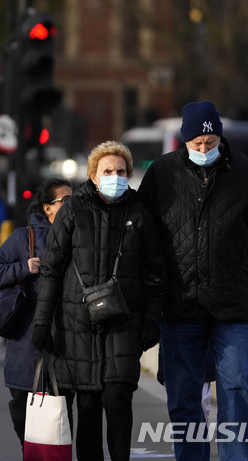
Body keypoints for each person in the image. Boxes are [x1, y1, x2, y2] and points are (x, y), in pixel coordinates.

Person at [137, 100, 248, 461]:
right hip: (179, 304)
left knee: (235, 387)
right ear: (184, 141)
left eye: (211, 141)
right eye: (197, 143)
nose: (205, 149)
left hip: (231, 301)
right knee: (184, 396)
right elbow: (143, 239)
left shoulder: (244, 172)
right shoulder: (162, 173)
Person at [32, 141, 167, 461]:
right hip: (77, 324)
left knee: (118, 398)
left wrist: (151, 319)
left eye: (121, 171)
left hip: (125, 321)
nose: (115, 176)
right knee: (88, 406)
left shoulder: (140, 213)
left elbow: (156, 274)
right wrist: (42, 322)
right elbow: (51, 270)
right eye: (108, 171)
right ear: (93, 175)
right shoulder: (73, 211)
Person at [0, 178, 73, 449]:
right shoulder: (25, 237)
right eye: (65, 201)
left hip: (67, 339)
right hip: (27, 339)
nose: (72, 206)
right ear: (48, 208)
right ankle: (30, 450)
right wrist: (24, 267)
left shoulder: (80, 234)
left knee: (63, 408)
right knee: (23, 406)